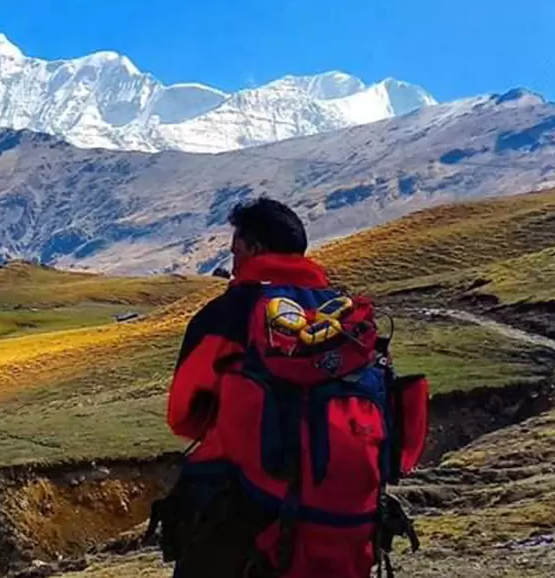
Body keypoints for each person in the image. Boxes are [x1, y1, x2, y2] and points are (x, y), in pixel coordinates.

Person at [153, 197, 427, 578]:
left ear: (254, 249)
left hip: (242, 509)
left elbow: (183, 415)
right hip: (346, 517)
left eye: (236, 252)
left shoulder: (227, 315)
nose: (232, 266)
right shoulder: (346, 316)